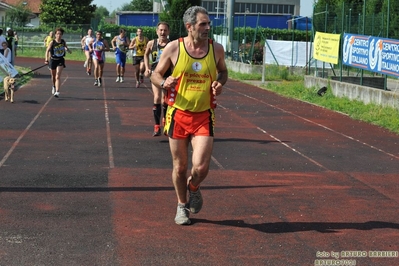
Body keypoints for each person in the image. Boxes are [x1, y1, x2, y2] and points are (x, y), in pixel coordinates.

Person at [151, 6, 228, 225]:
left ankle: (193, 187)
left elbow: (223, 71)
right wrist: (164, 82)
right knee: (180, 167)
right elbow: (156, 74)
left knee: (201, 167)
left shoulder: (216, 49)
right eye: (203, 24)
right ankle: (181, 206)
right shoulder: (175, 48)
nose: (207, 28)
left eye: (208, 24)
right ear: (189, 26)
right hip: (178, 114)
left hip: (204, 115)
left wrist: (219, 83)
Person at [144, 22, 171, 136]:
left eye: (165, 30)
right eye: (160, 30)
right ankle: (156, 126)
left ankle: (165, 121)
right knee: (157, 98)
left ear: (168, 32)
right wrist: (147, 68)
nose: (162, 32)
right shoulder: (151, 43)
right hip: (155, 74)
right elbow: (145, 55)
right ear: (157, 31)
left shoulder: (171, 44)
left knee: (165, 100)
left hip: (168, 74)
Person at [44, 28, 72, 98]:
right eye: (57, 34)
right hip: (53, 60)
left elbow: (67, 48)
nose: (59, 35)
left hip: (60, 60)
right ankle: (54, 86)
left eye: (60, 34)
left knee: (57, 76)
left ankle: (57, 91)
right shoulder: (52, 42)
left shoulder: (63, 42)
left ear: (62, 35)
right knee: (53, 76)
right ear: (55, 35)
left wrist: (68, 50)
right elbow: (47, 51)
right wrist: (46, 59)